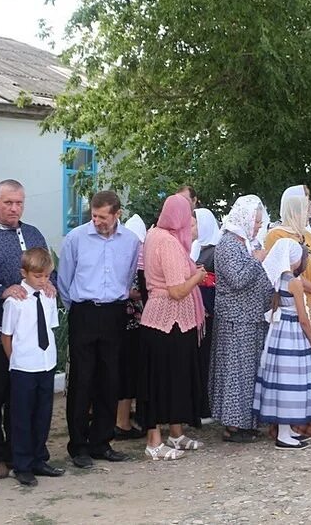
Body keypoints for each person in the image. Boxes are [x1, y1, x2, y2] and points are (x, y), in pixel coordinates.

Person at [0, 179, 54, 481]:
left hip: (33, 338)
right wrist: (1, 292)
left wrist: (50, 285)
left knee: (27, 401)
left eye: (19, 202)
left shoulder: (33, 233)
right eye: (8, 202)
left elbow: (46, 268)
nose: (14, 208)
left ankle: (32, 454)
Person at [57, 191, 140, 469]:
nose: (97, 221)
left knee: (110, 379)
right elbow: (65, 281)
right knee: (82, 380)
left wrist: (115, 299)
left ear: (117, 214)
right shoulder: (76, 239)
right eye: (94, 216)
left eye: (103, 217)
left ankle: (102, 441)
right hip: (84, 311)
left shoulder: (130, 241)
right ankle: (78, 445)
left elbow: (128, 276)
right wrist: (78, 307)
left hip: (114, 311)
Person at [138, 194, 207, 460]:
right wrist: (198, 277)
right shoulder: (167, 243)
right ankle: (153, 441)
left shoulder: (156, 233)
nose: (190, 219)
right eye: (188, 213)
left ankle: (176, 433)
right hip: (167, 320)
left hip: (173, 321)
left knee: (175, 378)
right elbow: (177, 290)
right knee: (159, 380)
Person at [0, 247, 65, 486]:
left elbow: (50, 328)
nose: (43, 280)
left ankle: (39, 458)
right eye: (38, 276)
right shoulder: (15, 302)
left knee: (42, 414)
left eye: (46, 276)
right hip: (23, 366)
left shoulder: (48, 296)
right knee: (21, 417)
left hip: (46, 363)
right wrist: (14, 361)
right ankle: (22, 464)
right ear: (24, 273)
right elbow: (6, 335)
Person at [209, 196, 271, 443]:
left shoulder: (245, 244)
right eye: (255, 221)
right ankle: (233, 425)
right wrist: (257, 260)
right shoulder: (227, 245)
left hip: (251, 317)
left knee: (248, 373)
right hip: (235, 319)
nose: (257, 226)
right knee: (235, 373)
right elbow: (237, 279)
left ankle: (247, 421)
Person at [253, 238, 311, 449]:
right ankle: (284, 433)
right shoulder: (295, 282)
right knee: (292, 381)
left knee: (282, 379)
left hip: (279, 332)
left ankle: (287, 430)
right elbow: (303, 317)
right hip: (293, 333)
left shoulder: (279, 279)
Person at [114, 214, 148, 441]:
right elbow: (134, 289)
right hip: (131, 323)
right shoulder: (135, 258)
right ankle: (122, 422)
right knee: (127, 373)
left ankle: (119, 419)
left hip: (120, 321)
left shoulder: (120, 253)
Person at [191, 208, 220, 419]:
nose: (191, 228)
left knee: (205, 361)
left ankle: (204, 406)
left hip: (208, 313)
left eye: (194, 224)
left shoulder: (213, 251)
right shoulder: (195, 247)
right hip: (195, 313)